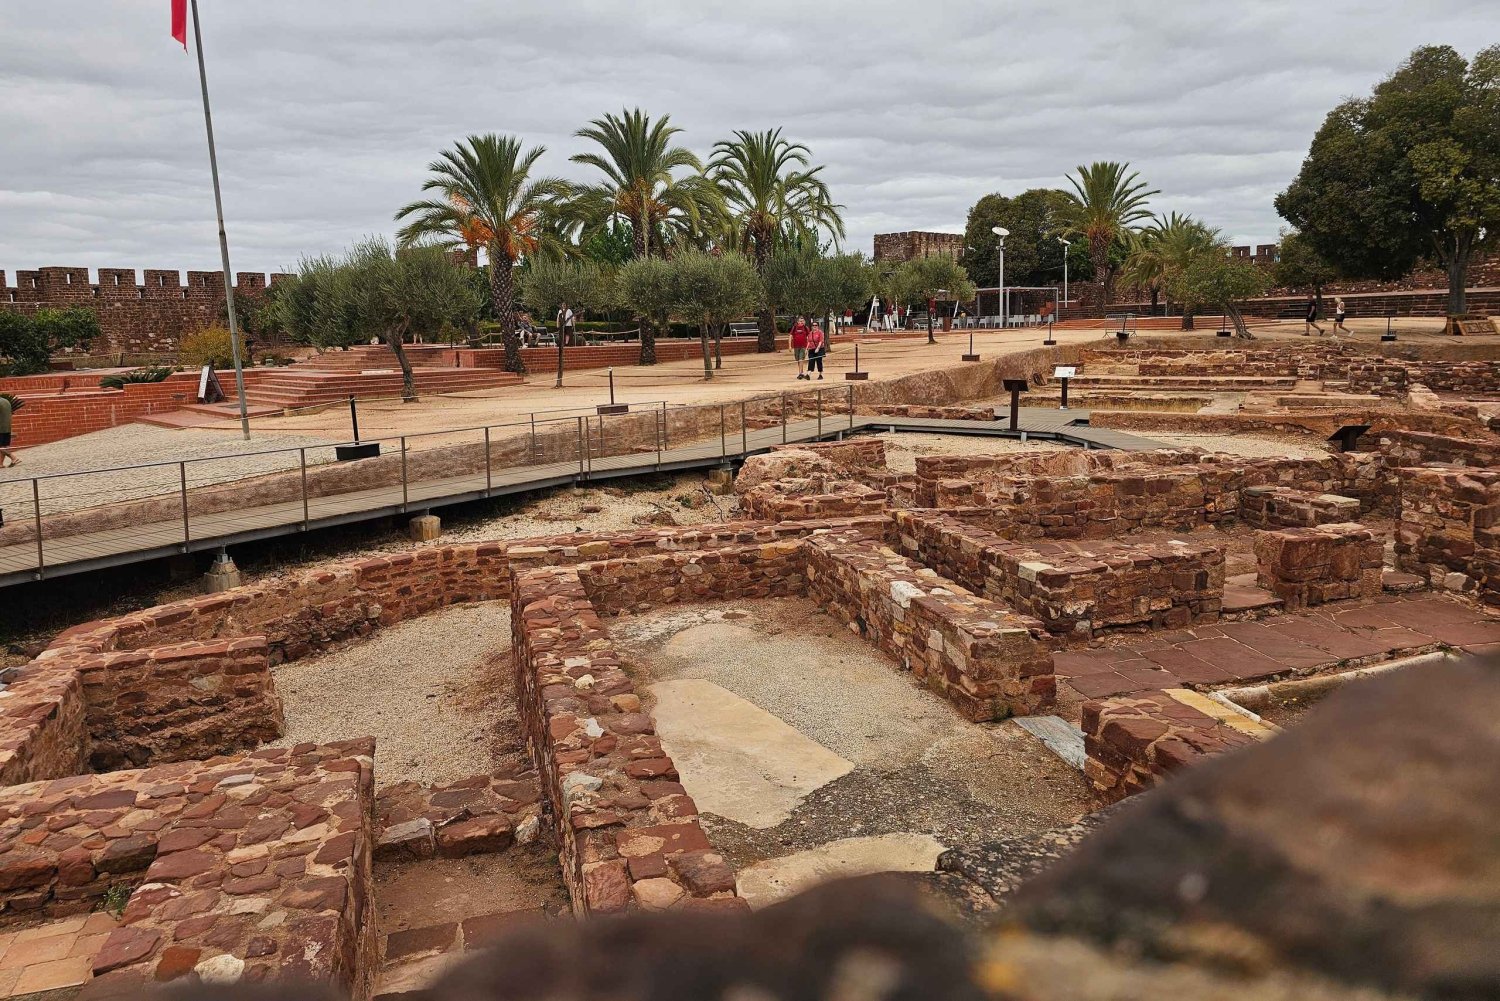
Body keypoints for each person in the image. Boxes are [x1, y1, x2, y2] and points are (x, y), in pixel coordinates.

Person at [0, 393, 16, 468]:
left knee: (1, 447)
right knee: (3, 446)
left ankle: (13, 457)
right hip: (7, 427)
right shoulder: (6, 401)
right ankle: (0, 464)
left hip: (1, 428)